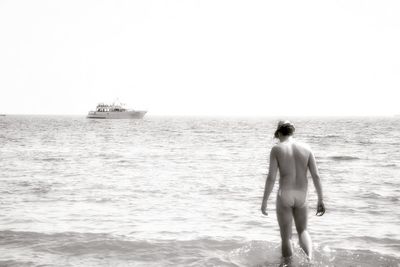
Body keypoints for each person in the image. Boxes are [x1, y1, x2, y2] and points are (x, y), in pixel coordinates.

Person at [261, 121, 325, 264]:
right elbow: (316, 175)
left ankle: (287, 264)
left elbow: (271, 177)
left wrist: (264, 201)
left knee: (286, 237)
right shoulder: (306, 148)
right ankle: (309, 261)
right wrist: (320, 199)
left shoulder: (277, 149)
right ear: (292, 131)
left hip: (285, 194)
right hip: (302, 194)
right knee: (303, 231)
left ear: (278, 133)